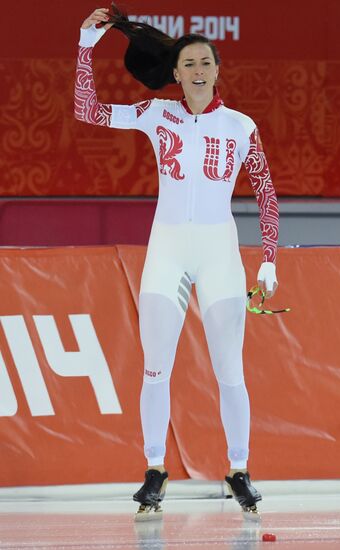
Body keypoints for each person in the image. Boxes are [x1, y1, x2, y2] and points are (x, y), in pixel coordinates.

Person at [75, 4, 279, 520]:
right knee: (154, 368)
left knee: (230, 372)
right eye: (188, 63)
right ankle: (154, 469)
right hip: (166, 252)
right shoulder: (154, 113)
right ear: (175, 73)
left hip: (220, 256)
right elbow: (87, 110)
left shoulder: (240, 126)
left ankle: (239, 468)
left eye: (205, 62)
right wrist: (84, 46)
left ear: (216, 70)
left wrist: (270, 260)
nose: (197, 71)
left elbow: (267, 194)